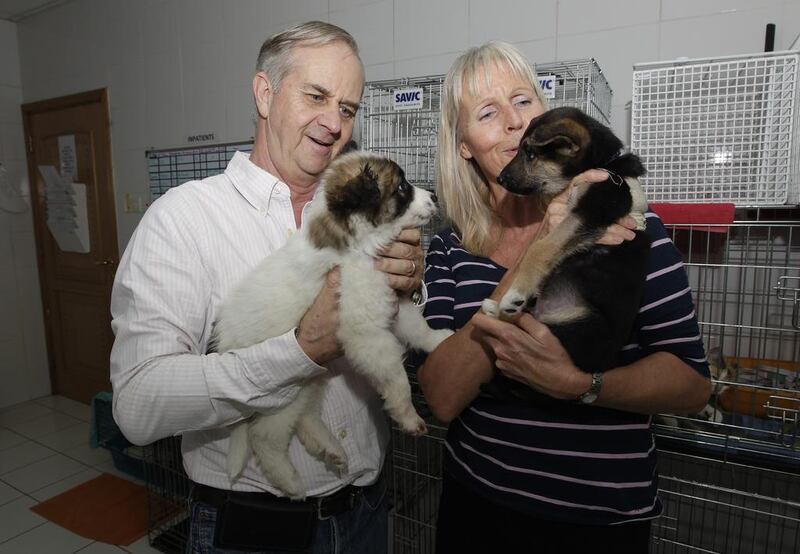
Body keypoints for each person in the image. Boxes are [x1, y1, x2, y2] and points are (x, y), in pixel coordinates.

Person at [110, 22, 424, 554]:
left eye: (348, 108)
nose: (334, 123)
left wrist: (408, 290)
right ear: (265, 92)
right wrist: (299, 351)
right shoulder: (183, 219)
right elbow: (138, 406)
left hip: (367, 511)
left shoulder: (364, 215)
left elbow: (384, 335)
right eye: (317, 96)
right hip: (255, 530)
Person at [416, 42, 712, 554]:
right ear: (464, 144)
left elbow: (690, 385)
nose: (513, 122)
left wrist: (583, 385)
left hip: (597, 521)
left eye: (524, 100)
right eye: (488, 113)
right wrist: (542, 245)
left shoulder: (627, 224)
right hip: (476, 505)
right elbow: (442, 398)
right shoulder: (449, 245)